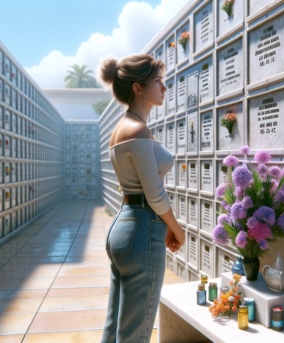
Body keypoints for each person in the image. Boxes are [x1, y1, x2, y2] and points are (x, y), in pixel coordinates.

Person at [99, 54, 186, 343]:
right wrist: (176, 228)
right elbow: (155, 194)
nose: (165, 87)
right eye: (158, 81)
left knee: (114, 331)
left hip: (122, 228)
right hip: (142, 229)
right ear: (138, 88)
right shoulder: (137, 129)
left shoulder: (120, 129)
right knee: (136, 334)